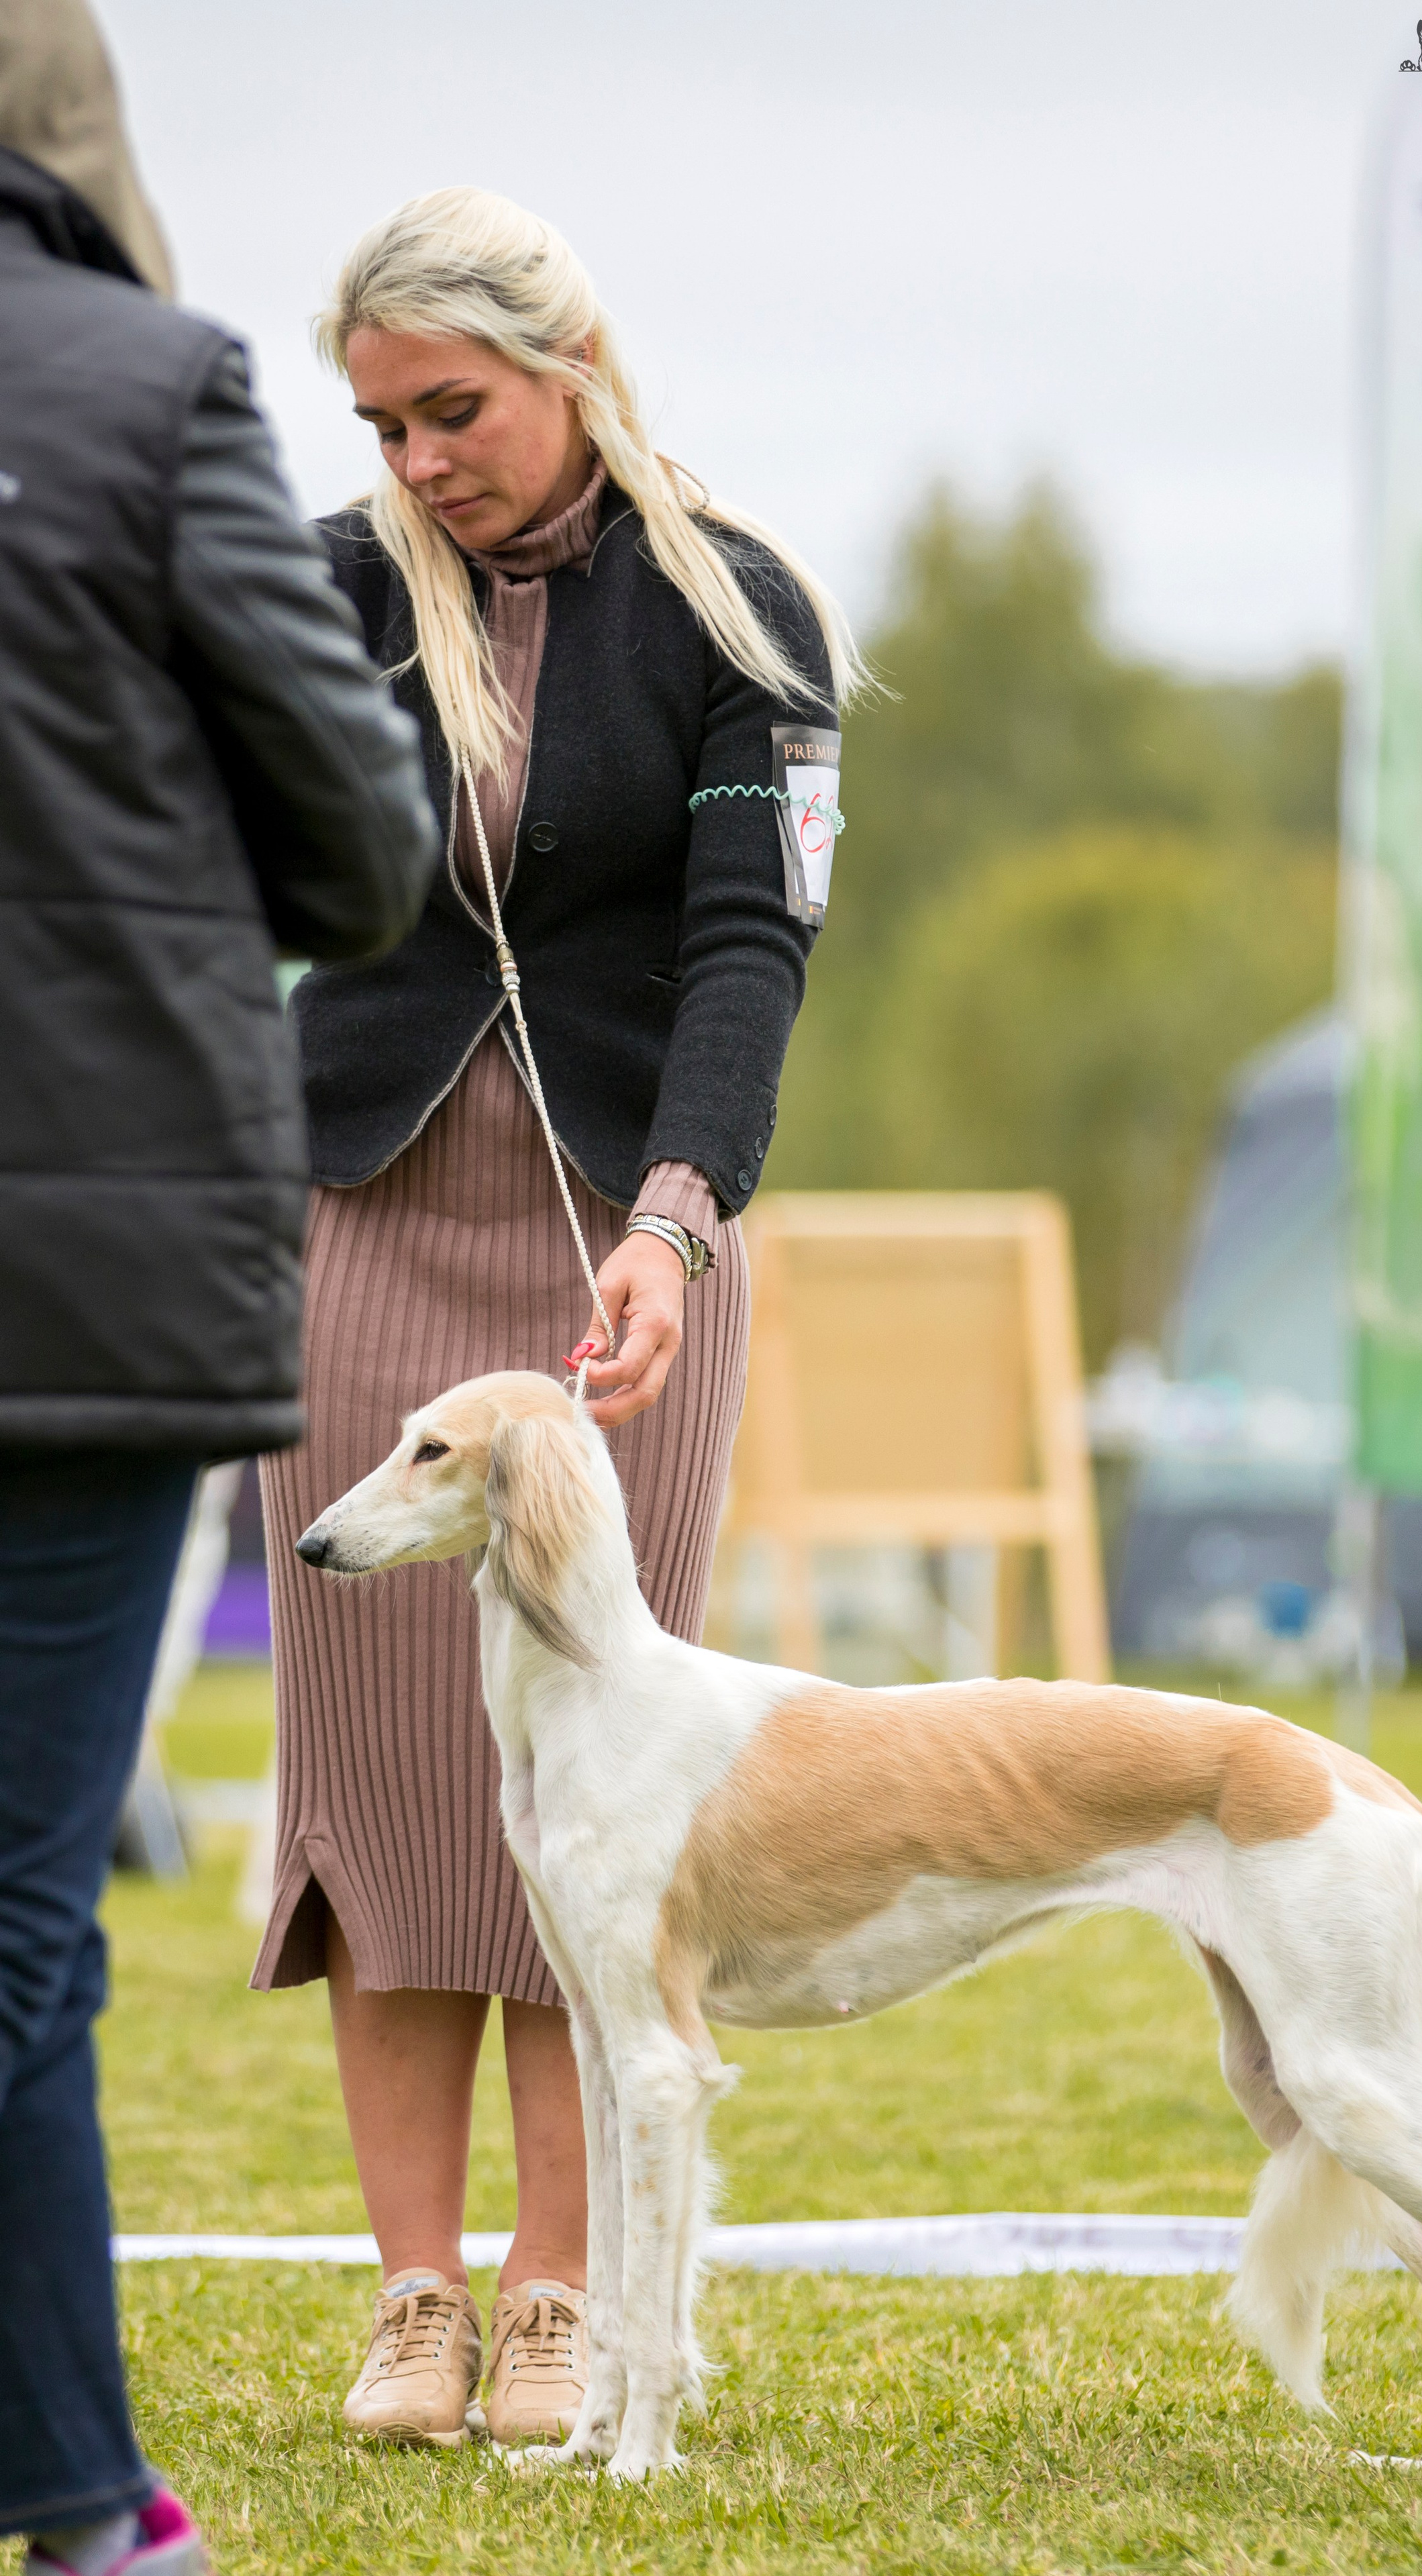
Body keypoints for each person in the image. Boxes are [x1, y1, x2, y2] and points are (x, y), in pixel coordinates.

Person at [253, 187, 860, 2452]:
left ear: (570, 361)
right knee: (397, 1788)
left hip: (628, 1253)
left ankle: (555, 2290)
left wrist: (683, 1212)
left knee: (600, 1787)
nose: (415, 460)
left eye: (453, 411)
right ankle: (412, 2289)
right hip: (366, 1223)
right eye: (381, 422)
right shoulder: (328, 590)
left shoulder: (745, 605)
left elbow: (748, 945)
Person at [0, 5, 442, 2567]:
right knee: (22, 1916)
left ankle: (78, 2483)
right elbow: (363, 839)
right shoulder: (158, 389)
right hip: (86, 1282)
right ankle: (82, 2505)